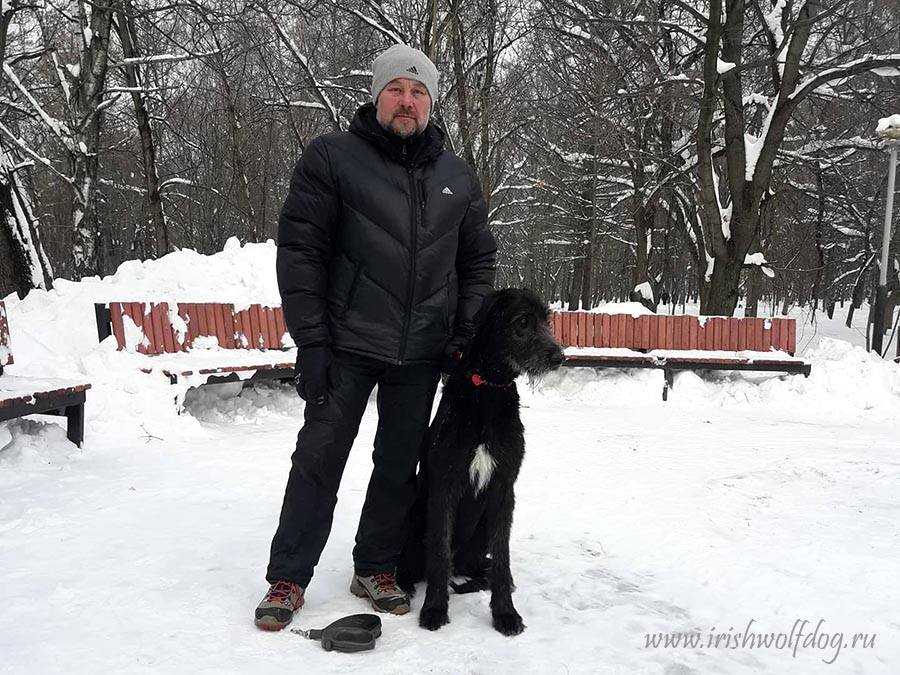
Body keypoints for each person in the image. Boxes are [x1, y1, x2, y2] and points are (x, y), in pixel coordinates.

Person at [254, 44, 497, 630]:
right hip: (345, 345)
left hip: (420, 353)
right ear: (376, 94)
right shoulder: (333, 159)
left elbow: (478, 263)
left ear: (431, 103)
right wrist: (311, 342)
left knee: (398, 465)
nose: (407, 101)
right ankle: (288, 577)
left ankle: (376, 566)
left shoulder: (456, 177)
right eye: (396, 89)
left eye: (418, 92)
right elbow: (301, 254)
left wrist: (463, 334)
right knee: (318, 458)